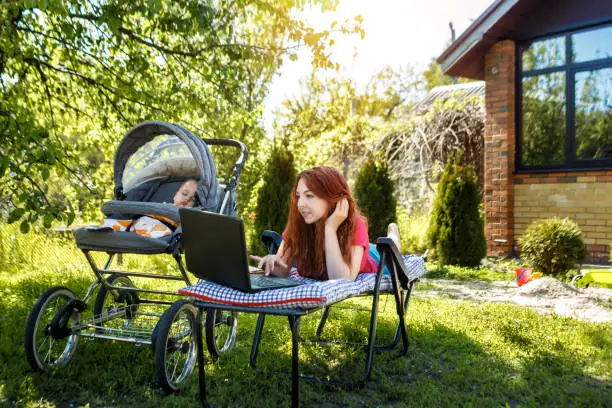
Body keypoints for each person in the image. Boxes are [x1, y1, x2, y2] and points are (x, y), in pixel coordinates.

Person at [252, 166, 401, 281]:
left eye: (309, 196)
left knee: (389, 248)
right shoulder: (300, 224)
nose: (301, 204)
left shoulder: (355, 224)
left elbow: (341, 280)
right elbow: (283, 270)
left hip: (375, 258)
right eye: (298, 196)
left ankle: (393, 233)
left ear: (333, 199)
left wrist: (330, 228)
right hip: (359, 247)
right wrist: (271, 264)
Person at [102, 179, 197, 238]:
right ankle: (101, 230)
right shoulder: (163, 205)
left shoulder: (187, 215)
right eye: (184, 193)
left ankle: (138, 235)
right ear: (175, 195)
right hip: (136, 223)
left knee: (158, 231)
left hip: (160, 229)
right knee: (111, 223)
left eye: (192, 200)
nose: (187, 199)